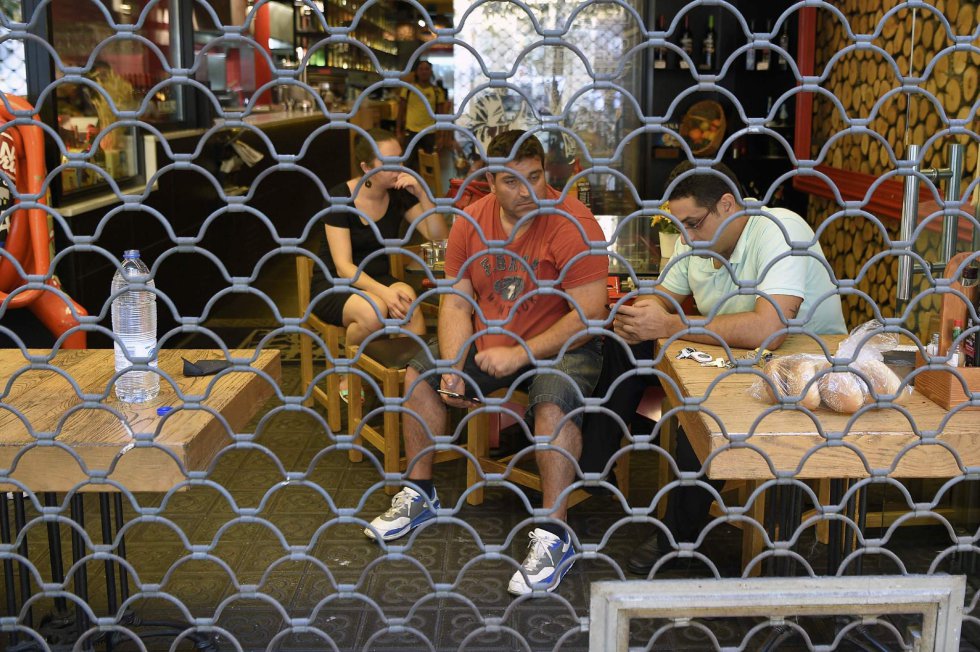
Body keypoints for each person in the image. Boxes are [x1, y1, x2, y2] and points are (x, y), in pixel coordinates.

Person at [364, 130, 609, 596]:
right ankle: (420, 492)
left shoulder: (572, 220)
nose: (528, 193)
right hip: (490, 340)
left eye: (535, 178)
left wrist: (518, 353)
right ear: (490, 180)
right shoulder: (470, 221)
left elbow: (589, 312)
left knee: (551, 404)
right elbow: (457, 302)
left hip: (565, 344)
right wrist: (455, 363)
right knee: (421, 374)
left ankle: (556, 535)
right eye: (513, 182)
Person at [581, 161, 846, 575]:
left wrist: (671, 324)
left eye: (693, 224)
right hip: (733, 356)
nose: (685, 237)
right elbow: (665, 296)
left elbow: (768, 329)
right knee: (625, 342)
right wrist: (641, 316)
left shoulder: (781, 230)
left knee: (700, 410)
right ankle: (594, 468)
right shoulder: (697, 240)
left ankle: (678, 537)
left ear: (727, 205)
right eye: (679, 226)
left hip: (804, 364)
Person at [310, 128, 447, 398]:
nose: (399, 168)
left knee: (411, 306)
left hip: (377, 278)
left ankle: (408, 383)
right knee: (374, 312)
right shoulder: (340, 198)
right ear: (366, 167)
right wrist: (383, 293)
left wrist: (422, 195)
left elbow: (439, 238)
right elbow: (343, 267)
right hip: (335, 284)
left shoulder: (399, 192)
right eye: (388, 163)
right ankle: (348, 373)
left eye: (400, 159)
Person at [396, 59, 448, 170]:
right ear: (416, 72)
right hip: (411, 132)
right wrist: (398, 132)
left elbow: (441, 116)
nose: (424, 71)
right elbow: (400, 112)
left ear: (431, 72)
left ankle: (427, 187)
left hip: (429, 133)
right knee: (407, 166)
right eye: (421, 69)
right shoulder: (408, 89)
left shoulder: (437, 91)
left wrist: (442, 137)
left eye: (427, 69)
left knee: (429, 167)